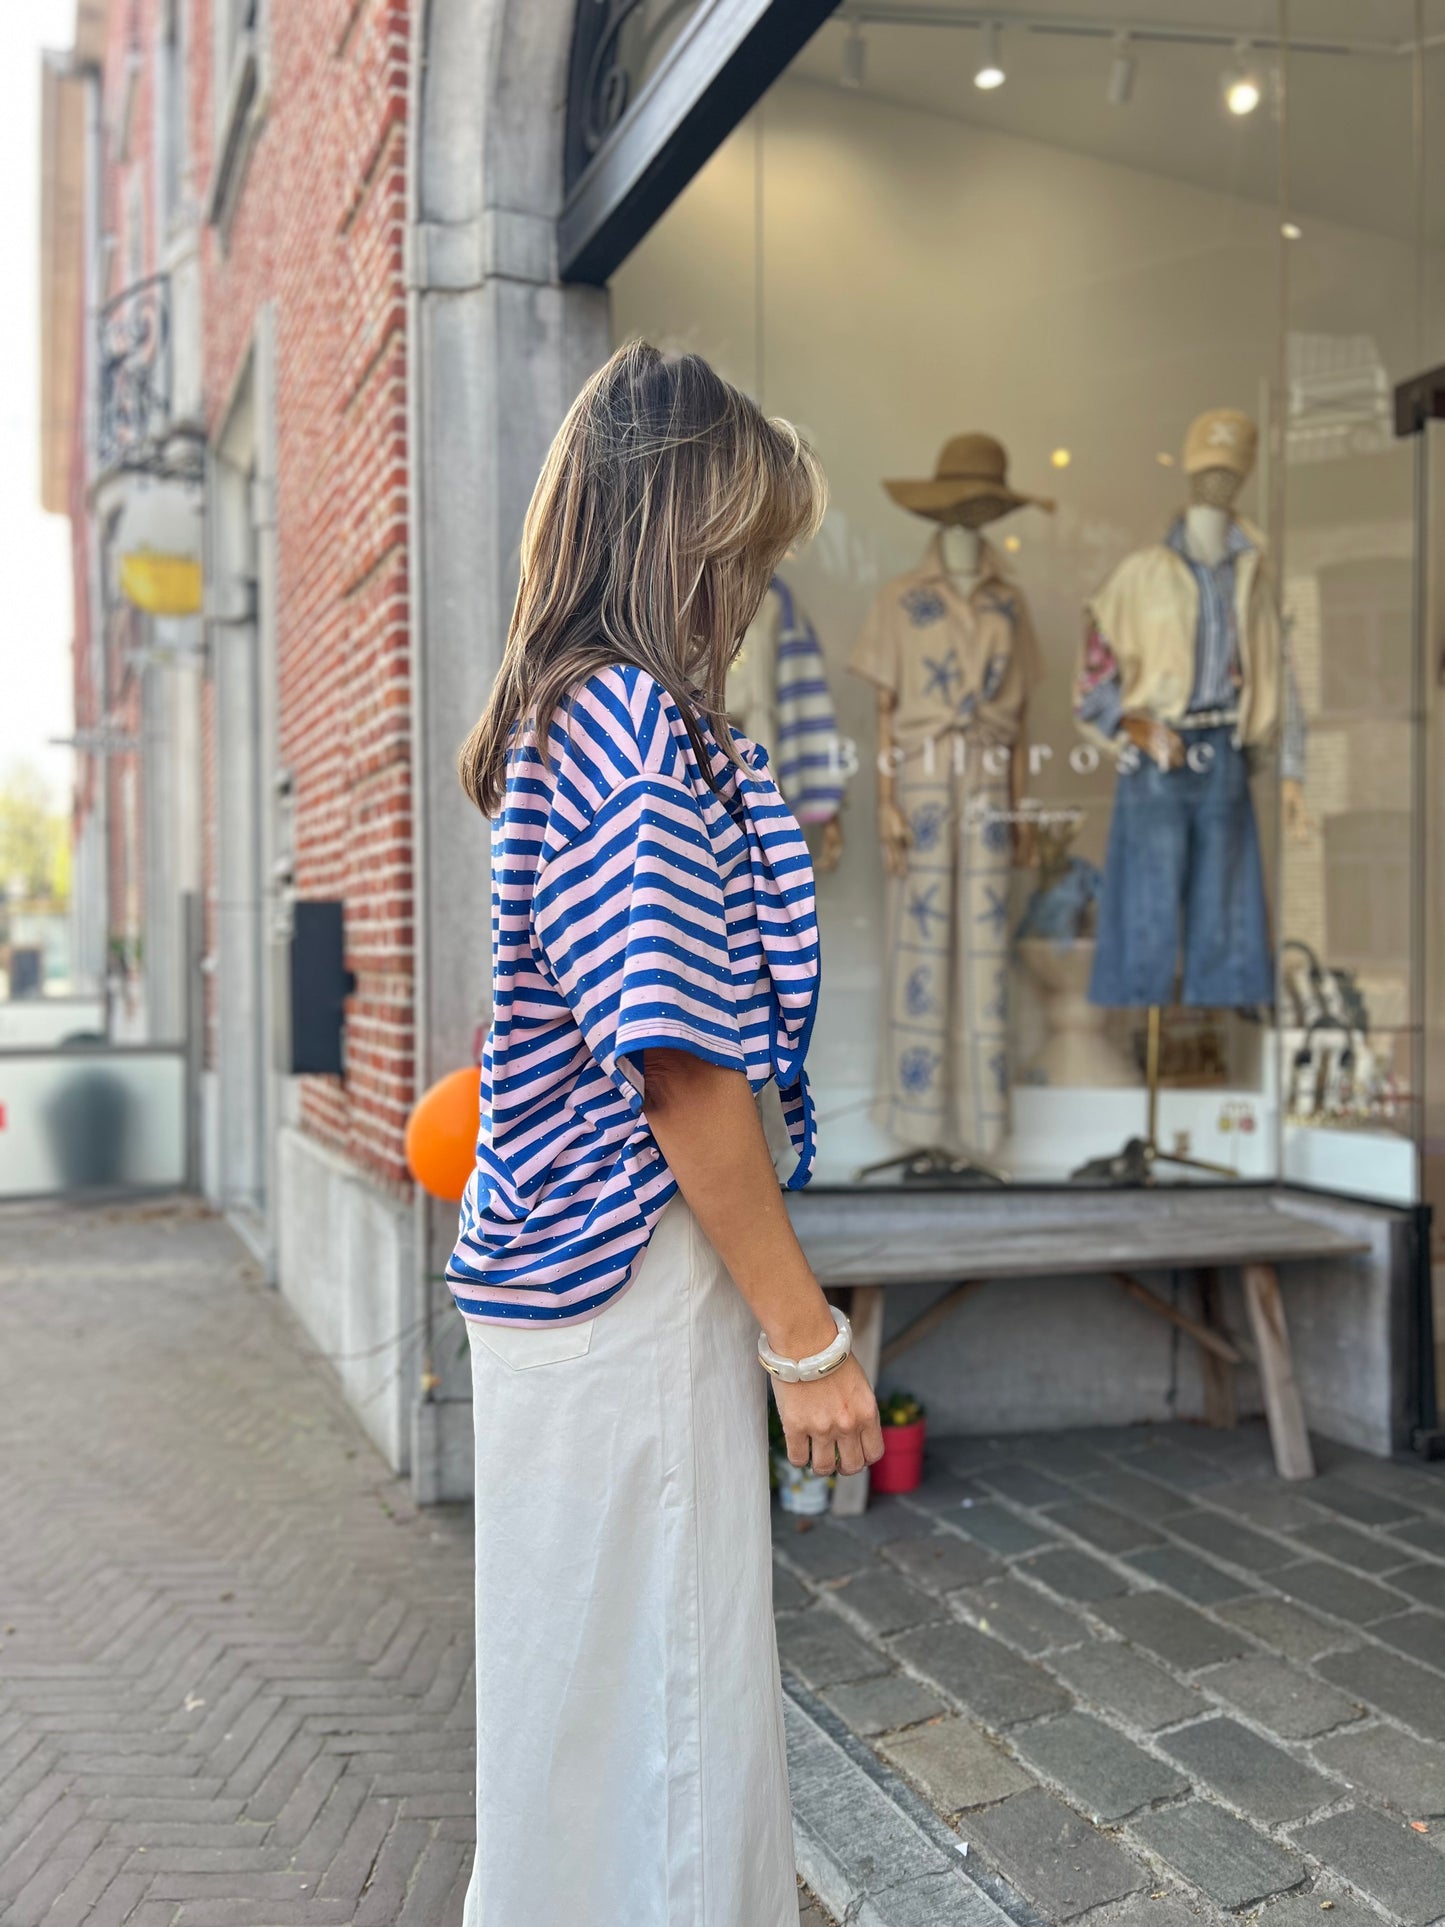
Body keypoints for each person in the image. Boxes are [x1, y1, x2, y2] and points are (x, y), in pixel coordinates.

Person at [447, 340, 884, 1927]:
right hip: (630, 1276)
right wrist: (805, 1340)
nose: (756, 594)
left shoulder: (570, 717)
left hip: (561, 1273)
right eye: (748, 555)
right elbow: (685, 1072)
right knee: (673, 1724)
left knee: (580, 1715)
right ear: (681, 540)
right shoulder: (630, 727)